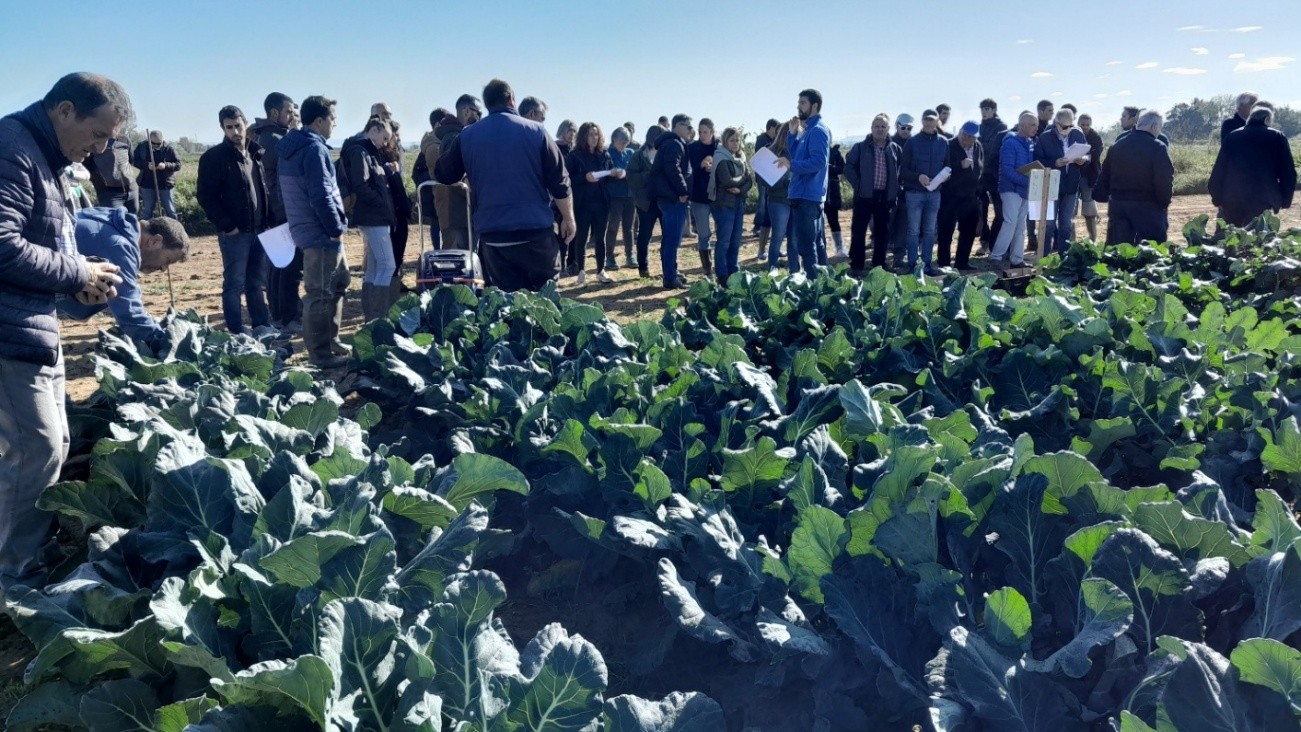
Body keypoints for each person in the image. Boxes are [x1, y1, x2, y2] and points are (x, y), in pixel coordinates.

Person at [0, 72, 128, 590]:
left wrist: (81, 287)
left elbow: (42, 249)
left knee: (55, 442)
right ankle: (12, 570)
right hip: (9, 332)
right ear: (66, 111)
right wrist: (78, 273)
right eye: (98, 135)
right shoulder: (12, 148)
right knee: (39, 448)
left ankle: (24, 544)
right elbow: (3, 244)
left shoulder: (47, 159)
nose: (100, 150)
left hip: (34, 323)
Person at [434, 79, 574, 292]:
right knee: (545, 302)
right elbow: (560, 181)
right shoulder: (537, 132)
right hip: (535, 233)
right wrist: (568, 218)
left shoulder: (468, 135)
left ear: (487, 104)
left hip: (495, 238)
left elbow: (443, 174)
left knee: (504, 303)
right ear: (511, 99)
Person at [278, 95, 350, 368]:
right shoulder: (313, 150)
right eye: (333, 118)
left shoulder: (297, 147)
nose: (335, 123)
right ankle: (321, 355)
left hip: (312, 228)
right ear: (319, 121)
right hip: (320, 231)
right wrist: (334, 228)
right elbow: (321, 194)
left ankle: (332, 340)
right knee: (319, 293)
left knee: (339, 282)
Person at [61, 207, 189, 349]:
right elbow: (129, 314)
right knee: (110, 290)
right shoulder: (119, 246)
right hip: (43, 286)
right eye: (168, 260)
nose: (164, 269)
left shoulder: (114, 222)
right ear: (155, 241)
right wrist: (166, 344)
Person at [197, 104, 271, 335]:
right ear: (223, 129)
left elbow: (262, 189)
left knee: (256, 282)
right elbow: (206, 196)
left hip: (259, 229)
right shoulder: (213, 158)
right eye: (229, 127)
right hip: (235, 233)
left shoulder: (255, 154)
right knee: (234, 283)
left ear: (245, 124)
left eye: (238, 126)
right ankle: (237, 329)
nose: (235, 132)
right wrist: (227, 225)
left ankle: (262, 325)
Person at [249, 91, 302, 334]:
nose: (292, 116)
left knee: (277, 266)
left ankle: (280, 315)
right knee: (289, 268)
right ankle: (287, 317)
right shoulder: (274, 138)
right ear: (274, 113)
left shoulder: (265, 135)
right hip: (282, 210)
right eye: (289, 111)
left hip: (274, 210)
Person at [342, 118, 398, 319]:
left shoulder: (365, 151)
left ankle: (371, 317)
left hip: (372, 216)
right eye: (385, 138)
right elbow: (361, 185)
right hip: (374, 217)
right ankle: (378, 317)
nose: (385, 143)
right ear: (374, 130)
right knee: (387, 265)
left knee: (374, 268)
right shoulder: (360, 152)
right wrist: (380, 202)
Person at [1209, 106, 1297, 228]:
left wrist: (1217, 198)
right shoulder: (1277, 136)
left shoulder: (1232, 136)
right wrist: (1285, 200)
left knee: (1231, 236)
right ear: (1266, 119)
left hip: (1233, 198)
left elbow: (1219, 170)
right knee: (1258, 235)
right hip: (1263, 198)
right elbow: (1288, 173)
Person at [1095, 110, 1174, 246]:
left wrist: (1101, 195)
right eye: (1159, 128)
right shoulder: (1158, 147)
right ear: (1154, 126)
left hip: (1119, 206)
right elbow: (1163, 181)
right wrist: (1164, 202)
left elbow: (1104, 176)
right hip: (1148, 207)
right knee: (1151, 251)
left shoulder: (1117, 146)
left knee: (1118, 251)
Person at [776, 89, 831, 278]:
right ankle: (823, 285)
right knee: (815, 245)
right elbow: (798, 156)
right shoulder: (808, 130)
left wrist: (791, 165)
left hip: (807, 196)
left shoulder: (817, 131)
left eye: (803, 103)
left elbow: (818, 162)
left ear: (814, 106)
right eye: (798, 103)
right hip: (804, 195)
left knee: (807, 248)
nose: (798, 107)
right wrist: (792, 135)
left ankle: (815, 285)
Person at [844, 113, 900, 273]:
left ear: (888, 129)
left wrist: (896, 190)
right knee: (859, 231)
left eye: (883, 126)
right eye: (876, 126)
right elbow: (848, 167)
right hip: (864, 196)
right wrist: (859, 185)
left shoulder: (894, 149)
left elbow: (900, 171)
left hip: (885, 197)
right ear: (871, 128)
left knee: (882, 232)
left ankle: (879, 265)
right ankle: (857, 265)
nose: (879, 129)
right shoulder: (860, 148)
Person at [899, 109, 950, 276]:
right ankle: (913, 265)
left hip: (934, 194)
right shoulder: (912, 142)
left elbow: (948, 167)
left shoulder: (943, 142)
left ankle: (927, 265)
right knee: (913, 231)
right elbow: (903, 171)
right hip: (914, 193)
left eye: (932, 120)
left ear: (936, 122)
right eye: (926, 119)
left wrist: (942, 178)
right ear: (922, 121)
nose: (929, 122)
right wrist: (918, 177)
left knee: (930, 231)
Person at [566, 122, 617, 285]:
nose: (594, 138)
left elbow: (608, 176)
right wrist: (584, 177)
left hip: (601, 202)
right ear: (583, 136)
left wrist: (614, 174)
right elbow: (567, 179)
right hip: (582, 203)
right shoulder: (574, 156)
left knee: (600, 238)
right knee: (581, 237)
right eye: (590, 134)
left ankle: (601, 271)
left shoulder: (604, 154)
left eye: (596, 134)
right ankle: (581, 271)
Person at [430, 95, 481, 252]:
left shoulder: (455, 135)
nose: (480, 118)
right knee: (456, 257)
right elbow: (451, 171)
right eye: (478, 113)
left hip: (460, 210)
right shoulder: (454, 137)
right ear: (466, 112)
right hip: (456, 211)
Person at [1035, 108, 1089, 256]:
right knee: (1048, 224)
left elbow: (1087, 156)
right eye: (1065, 126)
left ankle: (1063, 257)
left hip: (1071, 186)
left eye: (1071, 125)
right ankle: (1044, 257)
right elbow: (1037, 161)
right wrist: (1054, 163)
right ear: (1056, 123)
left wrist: (1083, 160)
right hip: (1051, 187)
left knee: (1066, 224)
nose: (1068, 129)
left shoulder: (1078, 134)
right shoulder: (1044, 138)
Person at [648, 114, 693, 288]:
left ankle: (671, 272)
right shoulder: (674, 144)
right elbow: (672, 168)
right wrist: (682, 191)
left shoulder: (673, 143)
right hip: (672, 198)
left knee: (670, 239)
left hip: (669, 197)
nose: (691, 130)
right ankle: (670, 278)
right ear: (678, 126)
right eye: (688, 126)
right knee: (672, 240)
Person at [988, 112, 1038, 268]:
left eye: (1036, 125)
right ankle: (996, 257)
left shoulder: (1030, 143)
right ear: (1022, 126)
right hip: (1010, 189)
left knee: (1020, 225)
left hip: (1024, 191)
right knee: (1010, 222)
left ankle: (1017, 259)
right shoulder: (1010, 143)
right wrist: (1028, 182)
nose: (1036, 128)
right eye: (1032, 125)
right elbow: (1007, 170)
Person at [937, 121, 983, 271]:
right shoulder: (948, 145)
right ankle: (944, 263)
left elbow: (979, 168)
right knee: (946, 231)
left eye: (971, 137)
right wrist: (959, 165)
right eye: (964, 135)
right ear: (960, 131)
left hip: (970, 197)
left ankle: (962, 262)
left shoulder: (978, 147)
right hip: (950, 196)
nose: (967, 139)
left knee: (968, 230)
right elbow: (941, 169)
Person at [709, 126, 753, 283]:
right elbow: (727, 181)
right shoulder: (720, 158)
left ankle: (734, 272)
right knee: (724, 242)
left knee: (735, 241)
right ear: (725, 141)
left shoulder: (741, 158)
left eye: (737, 140)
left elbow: (750, 181)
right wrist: (743, 179)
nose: (735, 143)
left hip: (738, 203)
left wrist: (740, 189)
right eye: (732, 140)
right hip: (723, 205)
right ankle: (722, 275)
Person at [627, 124, 664, 279]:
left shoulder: (665, 153)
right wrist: (648, 175)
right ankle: (643, 267)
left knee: (668, 235)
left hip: (664, 201)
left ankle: (669, 268)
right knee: (644, 235)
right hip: (646, 202)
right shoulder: (639, 155)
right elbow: (631, 177)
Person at [413, 107, 451, 249]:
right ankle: (439, 251)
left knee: (437, 224)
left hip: (432, 193)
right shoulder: (434, 145)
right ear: (438, 124)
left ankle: (438, 250)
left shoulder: (427, 143)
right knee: (439, 224)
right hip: (435, 193)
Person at [687, 118, 719, 276]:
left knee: (722, 233)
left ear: (712, 132)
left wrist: (715, 169)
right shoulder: (692, 148)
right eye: (700, 132)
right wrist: (700, 166)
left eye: (705, 132)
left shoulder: (719, 147)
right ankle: (707, 270)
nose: (702, 135)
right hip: (699, 196)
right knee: (704, 234)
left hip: (718, 196)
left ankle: (721, 267)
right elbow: (688, 170)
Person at [977, 98, 1008, 251]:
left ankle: (994, 243)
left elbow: (992, 149)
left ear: (994, 110)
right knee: (981, 210)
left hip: (994, 175)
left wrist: (981, 146)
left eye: (987, 108)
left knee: (1000, 212)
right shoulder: (979, 127)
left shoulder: (1001, 127)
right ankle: (984, 240)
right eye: (982, 108)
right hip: (980, 174)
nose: (984, 111)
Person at [763, 127, 794, 275]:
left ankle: (795, 271)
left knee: (793, 238)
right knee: (778, 236)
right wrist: (786, 182)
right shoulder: (771, 153)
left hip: (795, 200)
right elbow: (765, 180)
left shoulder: (798, 151)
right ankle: (772, 271)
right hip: (778, 200)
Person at [886, 113, 915, 268]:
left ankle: (899, 256)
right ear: (897, 126)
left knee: (903, 225)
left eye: (909, 128)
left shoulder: (914, 144)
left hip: (907, 191)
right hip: (889, 191)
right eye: (903, 127)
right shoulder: (888, 143)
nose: (905, 130)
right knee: (886, 225)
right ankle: (881, 258)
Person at [606, 126, 636, 270]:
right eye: (621, 141)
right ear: (614, 139)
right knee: (613, 226)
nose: (624, 144)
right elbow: (603, 173)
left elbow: (635, 170)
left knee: (629, 227)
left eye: (626, 142)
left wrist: (627, 173)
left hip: (630, 195)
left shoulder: (630, 153)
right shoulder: (607, 154)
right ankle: (609, 257)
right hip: (614, 195)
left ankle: (630, 255)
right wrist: (612, 173)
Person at [132, 130, 180, 219]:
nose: (156, 145)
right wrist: (146, 165)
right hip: (147, 184)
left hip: (165, 184)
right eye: (154, 143)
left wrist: (166, 165)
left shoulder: (169, 149)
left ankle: (174, 227)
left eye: (159, 143)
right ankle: (147, 227)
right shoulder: (141, 147)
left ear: (162, 140)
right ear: (149, 140)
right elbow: (134, 161)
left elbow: (178, 165)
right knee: (147, 211)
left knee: (170, 211)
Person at [86, 133, 137, 214]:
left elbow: (131, 160)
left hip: (131, 191)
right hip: (109, 194)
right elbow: (87, 167)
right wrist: (101, 184)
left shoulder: (124, 139)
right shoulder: (93, 142)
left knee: (132, 218)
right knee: (115, 219)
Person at [753, 118, 779, 255]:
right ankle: (757, 226)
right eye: (776, 129)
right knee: (763, 202)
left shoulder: (774, 141)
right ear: (770, 128)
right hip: (764, 178)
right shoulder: (762, 140)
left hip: (774, 179)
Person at [1077, 113, 1104, 241]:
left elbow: (1096, 154)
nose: (1085, 127)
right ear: (1078, 124)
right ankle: (1070, 242)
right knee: (1071, 210)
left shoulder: (1095, 137)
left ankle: (1093, 239)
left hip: (1088, 175)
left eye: (1087, 125)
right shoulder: (1073, 134)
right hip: (1074, 175)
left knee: (1089, 209)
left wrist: (1085, 158)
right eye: (1083, 124)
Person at [824, 143, 846, 258]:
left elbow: (842, 169)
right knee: (818, 223)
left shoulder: (835, 152)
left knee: (834, 220)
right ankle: (821, 249)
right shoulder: (813, 150)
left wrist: (829, 167)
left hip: (832, 192)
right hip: (816, 192)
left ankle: (839, 248)